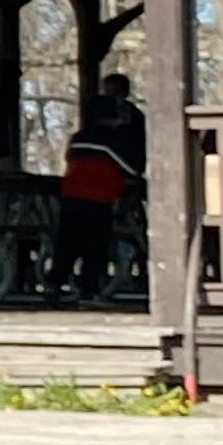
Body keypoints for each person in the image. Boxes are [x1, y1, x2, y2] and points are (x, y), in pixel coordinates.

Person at [53, 72, 146, 299]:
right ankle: (88, 287)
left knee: (67, 243)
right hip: (98, 199)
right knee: (95, 245)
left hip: (72, 195)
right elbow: (131, 167)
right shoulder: (109, 140)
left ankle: (55, 282)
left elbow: (69, 158)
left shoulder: (78, 138)